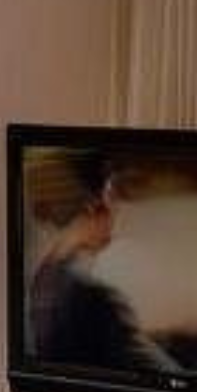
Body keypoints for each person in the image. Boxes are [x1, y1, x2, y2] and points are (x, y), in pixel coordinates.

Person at [26, 158, 171, 373]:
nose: (115, 222)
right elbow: (148, 375)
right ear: (93, 207)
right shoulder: (90, 295)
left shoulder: (44, 277)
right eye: (111, 206)